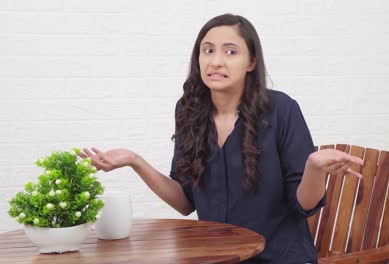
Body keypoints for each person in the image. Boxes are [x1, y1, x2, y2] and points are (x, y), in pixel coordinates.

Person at [80, 14, 363, 264]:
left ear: (251, 61)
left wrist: (314, 167)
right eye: (208, 50)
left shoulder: (282, 110)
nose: (216, 61)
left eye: (230, 52)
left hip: (279, 257)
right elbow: (185, 202)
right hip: (216, 257)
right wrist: (135, 161)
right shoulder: (188, 111)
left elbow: (305, 205)